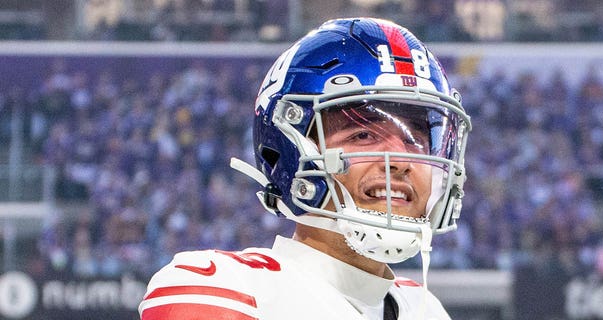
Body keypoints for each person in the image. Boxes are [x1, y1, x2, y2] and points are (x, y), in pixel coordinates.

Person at [138, 17, 471, 320]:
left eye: (415, 139)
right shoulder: (228, 293)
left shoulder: (424, 309)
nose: (401, 160)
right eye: (364, 134)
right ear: (291, 151)